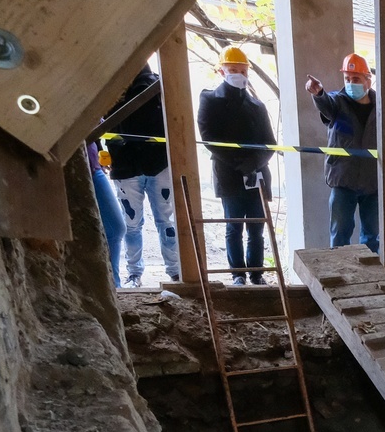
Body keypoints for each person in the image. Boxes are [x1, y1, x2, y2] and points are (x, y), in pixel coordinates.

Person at [197, 46, 274, 285]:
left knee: (257, 229)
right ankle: (238, 274)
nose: (238, 75)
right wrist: (238, 165)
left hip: (256, 174)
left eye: (242, 71)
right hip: (228, 175)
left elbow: (270, 143)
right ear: (222, 71)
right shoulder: (210, 100)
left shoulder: (257, 106)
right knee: (234, 227)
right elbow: (209, 137)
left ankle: (257, 274)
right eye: (233, 70)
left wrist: (253, 164)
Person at [104, 65, 180, 285]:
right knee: (132, 223)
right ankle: (135, 273)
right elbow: (103, 123)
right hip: (126, 167)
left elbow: (173, 121)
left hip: (157, 164)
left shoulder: (156, 84)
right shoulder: (110, 87)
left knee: (165, 221)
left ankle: (175, 271)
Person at [304, 54, 380, 256]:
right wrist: (318, 93)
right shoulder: (337, 103)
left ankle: (368, 272)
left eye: (356, 79)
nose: (351, 83)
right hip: (343, 180)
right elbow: (325, 104)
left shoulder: (381, 108)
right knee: (340, 236)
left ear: (368, 80)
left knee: (371, 237)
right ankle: (340, 272)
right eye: (347, 79)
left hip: (373, 182)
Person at [88, 141, 126, 286]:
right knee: (116, 228)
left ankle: (113, 284)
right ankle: (112, 284)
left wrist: (100, 151)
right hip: (88, 168)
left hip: (94, 165)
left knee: (116, 229)